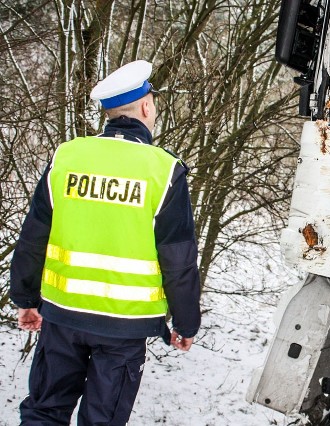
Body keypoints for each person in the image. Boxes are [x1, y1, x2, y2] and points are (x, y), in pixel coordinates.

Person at [10, 60, 201, 425]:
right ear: (147, 107)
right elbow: (178, 260)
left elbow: (34, 235)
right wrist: (185, 322)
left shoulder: (67, 157)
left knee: (44, 413)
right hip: (123, 328)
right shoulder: (164, 170)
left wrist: (25, 298)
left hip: (62, 316)